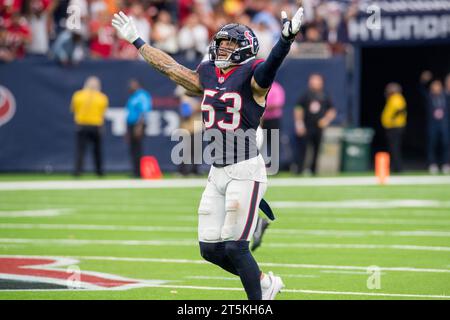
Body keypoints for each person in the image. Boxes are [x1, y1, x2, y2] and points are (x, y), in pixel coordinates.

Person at [112, 5, 304, 300]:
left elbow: (270, 68)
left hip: (245, 169)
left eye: (231, 44)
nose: (224, 49)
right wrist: (138, 41)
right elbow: (171, 69)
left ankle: (259, 300)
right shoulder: (208, 73)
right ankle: (265, 282)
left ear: (246, 49)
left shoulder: (253, 74)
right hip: (217, 170)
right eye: (222, 43)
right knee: (210, 248)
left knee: (236, 246)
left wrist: (285, 41)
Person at [293, 73, 336, 175]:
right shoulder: (305, 95)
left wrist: (326, 120)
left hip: (318, 127)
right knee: (303, 149)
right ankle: (300, 170)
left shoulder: (325, 95)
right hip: (307, 126)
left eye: (317, 81)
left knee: (316, 149)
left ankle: (313, 171)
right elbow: (298, 109)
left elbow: (332, 110)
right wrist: (299, 124)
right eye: (313, 81)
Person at [71, 76, 108, 177]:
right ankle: (99, 171)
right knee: (97, 151)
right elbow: (103, 113)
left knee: (81, 150)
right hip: (96, 125)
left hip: (82, 125)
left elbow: (73, 109)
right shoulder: (102, 97)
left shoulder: (78, 95)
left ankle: (78, 171)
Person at [420, 71, 449, 175]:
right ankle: (432, 164)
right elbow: (420, 90)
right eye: (434, 86)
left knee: (446, 143)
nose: (436, 87)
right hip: (432, 124)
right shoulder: (429, 97)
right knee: (432, 143)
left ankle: (446, 164)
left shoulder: (445, 96)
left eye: (438, 86)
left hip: (444, 124)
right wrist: (423, 81)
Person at [125, 79, 152, 178]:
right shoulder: (133, 96)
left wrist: (139, 126)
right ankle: (135, 171)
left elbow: (143, 112)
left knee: (137, 149)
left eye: (132, 84)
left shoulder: (142, 95)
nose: (130, 86)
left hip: (138, 124)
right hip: (132, 124)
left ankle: (139, 172)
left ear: (137, 85)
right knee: (133, 149)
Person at [381, 83, 407, 173]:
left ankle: (398, 167)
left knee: (395, 148)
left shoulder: (397, 97)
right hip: (392, 126)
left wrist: (391, 119)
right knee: (392, 148)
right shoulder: (392, 98)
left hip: (395, 127)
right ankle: (395, 166)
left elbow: (400, 109)